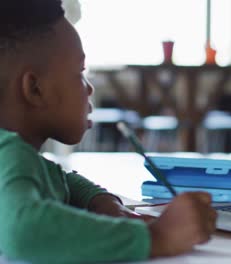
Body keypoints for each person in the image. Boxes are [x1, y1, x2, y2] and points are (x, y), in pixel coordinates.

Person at [0, 1, 216, 263]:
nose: (89, 89)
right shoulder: (11, 155)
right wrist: (158, 237)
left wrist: (99, 200)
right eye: (80, 73)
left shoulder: (17, 157)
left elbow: (61, 179)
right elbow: (25, 232)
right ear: (35, 89)